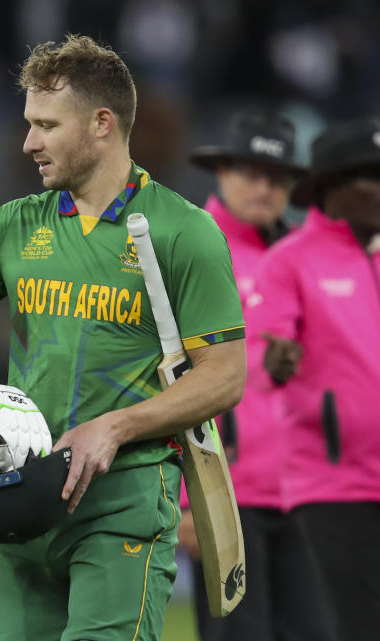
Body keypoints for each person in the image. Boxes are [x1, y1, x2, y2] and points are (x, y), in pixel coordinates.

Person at [0, 35, 246, 641]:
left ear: (102, 124)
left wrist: (115, 426)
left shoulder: (184, 232)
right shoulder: (12, 226)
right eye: (29, 123)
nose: (28, 142)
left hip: (123, 503)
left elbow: (225, 375)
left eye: (46, 125)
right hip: (19, 498)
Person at [180, 110, 336, 641]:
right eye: (251, 172)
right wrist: (184, 501)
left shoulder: (307, 256)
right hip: (226, 494)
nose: (264, 187)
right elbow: (162, 380)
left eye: (276, 177)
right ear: (222, 172)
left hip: (307, 493)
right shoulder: (188, 250)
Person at [248, 116, 380, 641]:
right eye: (370, 174)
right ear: (332, 188)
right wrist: (274, 361)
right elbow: (259, 354)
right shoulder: (291, 261)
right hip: (333, 486)